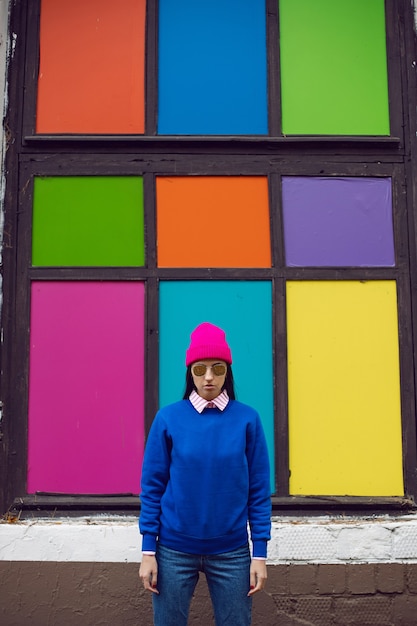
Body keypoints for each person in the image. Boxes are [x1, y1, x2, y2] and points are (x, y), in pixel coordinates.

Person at [139, 322, 271, 626]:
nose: (209, 377)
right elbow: (152, 486)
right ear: (190, 372)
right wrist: (148, 550)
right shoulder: (169, 418)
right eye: (200, 369)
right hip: (172, 550)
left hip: (232, 552)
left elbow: (259, 491)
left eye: (217, 368)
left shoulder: (247, 419)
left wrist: (260, 554)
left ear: (228, 371)